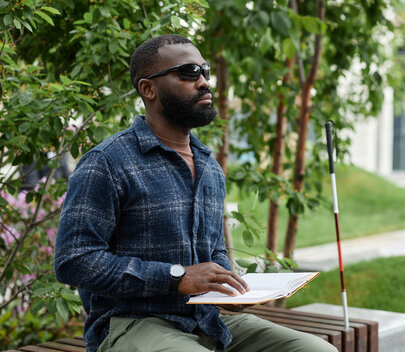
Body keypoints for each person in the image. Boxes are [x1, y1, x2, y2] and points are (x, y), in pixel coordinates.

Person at [54, 34, 337, 352]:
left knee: (318, 350)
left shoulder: (208, 167)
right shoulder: (107, 162)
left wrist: (229, 285)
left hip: (207, 318)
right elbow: (74, 261)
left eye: (205, 72)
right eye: (189, 72)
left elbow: (213, 250)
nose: (203, 82)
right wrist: (175, 276)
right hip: (132, 322)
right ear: (149, 89)